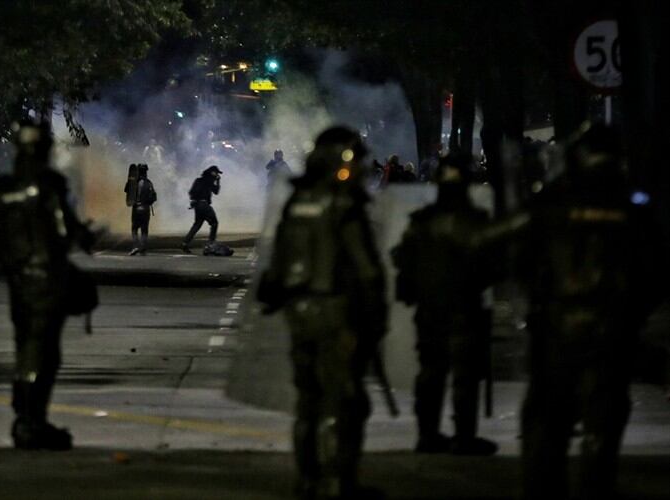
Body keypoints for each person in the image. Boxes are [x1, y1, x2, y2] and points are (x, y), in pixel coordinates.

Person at [505, 123, 665, 499]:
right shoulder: (633, 206)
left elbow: (514, 254)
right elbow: (658, 271)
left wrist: (533, 300)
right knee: (602, 429)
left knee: (548, 425)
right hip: (613, 330)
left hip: (558, 329)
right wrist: (633, 312)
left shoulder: (553, 200)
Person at [257, 126, 387, 499]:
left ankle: (307, 478)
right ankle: (336, 482)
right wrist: (375, 319)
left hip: (299, 312)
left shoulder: (297, 201)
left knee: (308, 399)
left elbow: (278, 264)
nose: (362, 167)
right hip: (335, 311)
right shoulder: (345, 205)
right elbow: (366, 270)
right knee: (342, 400)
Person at [0, 118, 96, 451]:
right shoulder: (48, 184)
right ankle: (32, 422)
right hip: (48, 278)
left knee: (24, 347)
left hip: (17, 280)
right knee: (44, 352)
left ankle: (25, 417)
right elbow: (64, 230)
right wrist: (86, 236)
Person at [391, 152, 499, 456]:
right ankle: (464, 438)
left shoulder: (421, 221)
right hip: (465, 308)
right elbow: (494, 267)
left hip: (430, 308)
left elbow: (402, 260)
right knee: (465, 375)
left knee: (431, 373)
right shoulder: (475, 221)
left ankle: (428, 435)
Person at [181, 165, 222, 253]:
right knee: (214, 223)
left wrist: (194, 200)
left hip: (197, 206)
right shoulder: (209, 181)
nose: (217, 175)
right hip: (204, 205)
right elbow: (216, 191)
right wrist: (218, 182)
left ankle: (185, 243)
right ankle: (210, 244)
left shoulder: (198, 180)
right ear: (212, 173)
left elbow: (191, 192)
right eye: (216, 173)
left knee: (197, 224)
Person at [124, 163, 157, 255]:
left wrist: (131, 180)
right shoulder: (149, 183)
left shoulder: (134, 183)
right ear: (146, 172)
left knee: (134, 229)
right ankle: (143, 249)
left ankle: (135, 246)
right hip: (146, 209)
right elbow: (154, 197)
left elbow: (127, 190)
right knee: (144, 230)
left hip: (136, 209)